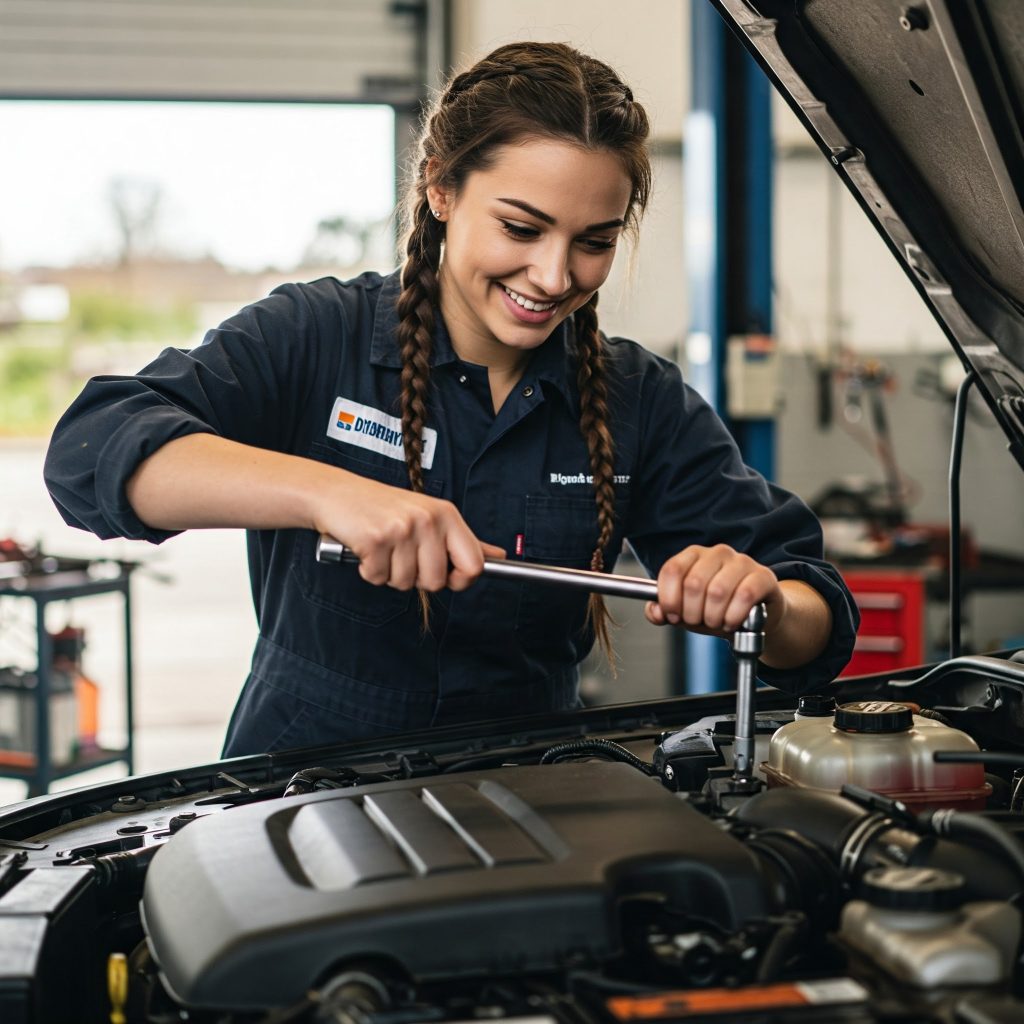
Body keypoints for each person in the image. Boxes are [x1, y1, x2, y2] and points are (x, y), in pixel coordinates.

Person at [44, 42, 858, 757]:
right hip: (292, 793)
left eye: (594, 242)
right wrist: (331, 495)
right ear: (441, 189)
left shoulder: (637, 400)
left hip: (528, 797)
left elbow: (813, 610)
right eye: (520, 228)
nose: (551, 275)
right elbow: (93, 450)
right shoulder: (316, 334)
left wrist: (760, 603)